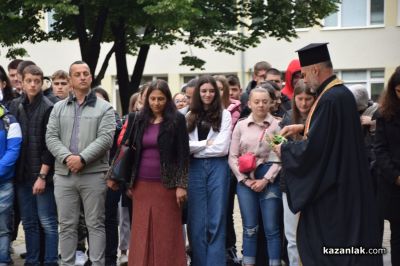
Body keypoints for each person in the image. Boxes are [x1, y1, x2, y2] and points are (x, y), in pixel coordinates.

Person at [275, 43, 382, 265]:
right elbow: (334, 135)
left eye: (304, 74)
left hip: (336, 191)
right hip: (349, 183)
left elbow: (317, 149)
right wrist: (303, 128)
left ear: (315, 70)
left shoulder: (330, 98)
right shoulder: (339, 93)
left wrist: (284, 149)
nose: (304, 80)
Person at [109, 79, 189, 266]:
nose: (156, 103)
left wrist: (181, 185)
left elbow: (183, 154)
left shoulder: (177, 120)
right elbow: (125, 148)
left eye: (160, 98)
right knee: (141, 232)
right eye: (152, 98)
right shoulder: (137, 119)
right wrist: (118, 178)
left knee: (167, 233)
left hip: (167, 187)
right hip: (141, 185)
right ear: (147, 100)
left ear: (167, 99)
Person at [46, 60, 116, 266]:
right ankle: (67, 263)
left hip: (94, 174)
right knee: (66, 225)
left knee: (95, 224)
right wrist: (68, 158)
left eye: (86, 73)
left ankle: (97, 263)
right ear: (70, 80)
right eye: (78, 74)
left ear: (91, 77)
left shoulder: (105, 108)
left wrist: (82, 158)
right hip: (64, 174)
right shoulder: (58, 108)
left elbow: (106, 139)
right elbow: (51, 137)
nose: (83, 77)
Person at [229, 87, 282, 266]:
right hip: (245, 180)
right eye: (257, 101)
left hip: (269, 179)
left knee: (272, 228)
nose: (261, 105)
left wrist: (266, 179)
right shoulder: (241, 125)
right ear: (249, 103)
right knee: (250, 228)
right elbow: (232, 156)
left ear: (271, 103)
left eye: (265, 101)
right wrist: (244, 180)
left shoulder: (276, 126)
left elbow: (280, 157)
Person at [13, 65, 58, 266]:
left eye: (37, 81)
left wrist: (42, 176)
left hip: (43, 176)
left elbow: (51, 146)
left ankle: (50, 262)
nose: (33, 84)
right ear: (21, 82)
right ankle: (32, 261)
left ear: (42, 83)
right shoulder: (15, 106)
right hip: (22, 176)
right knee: (29, 223)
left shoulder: (49, 107)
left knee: (48, 223)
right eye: (29, 81)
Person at [186, 75, 232, 266]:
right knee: (196, 221)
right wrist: (206, 143)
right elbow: (184, 146)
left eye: (212, 91)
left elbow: (222, 147)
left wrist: (196, 147)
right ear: (198, 92)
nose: (208, 94)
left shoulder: (225, 114)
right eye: (204, 91)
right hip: (194, 169)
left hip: (218, 167)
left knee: (217, 218)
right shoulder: (188, 115)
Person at [279, 80, 316, 266]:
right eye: (299, 99)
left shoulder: (319, 118)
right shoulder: (287, 118)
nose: (303, 103)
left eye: (308, 99)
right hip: (291, 183)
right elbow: (281, 150)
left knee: (314, 233)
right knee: (292, 236)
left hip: (314, 184)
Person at [374, 66, 400, 266]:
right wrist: (395, 176)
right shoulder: (384, 114)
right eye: (399, 91)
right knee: (397, 235)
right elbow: (380, 149)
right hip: (393, 184)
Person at [0, 103, 22, 266]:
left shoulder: (10, 121)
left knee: (3, 227)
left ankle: (3, 260)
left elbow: (13, 150)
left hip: (3, 182)